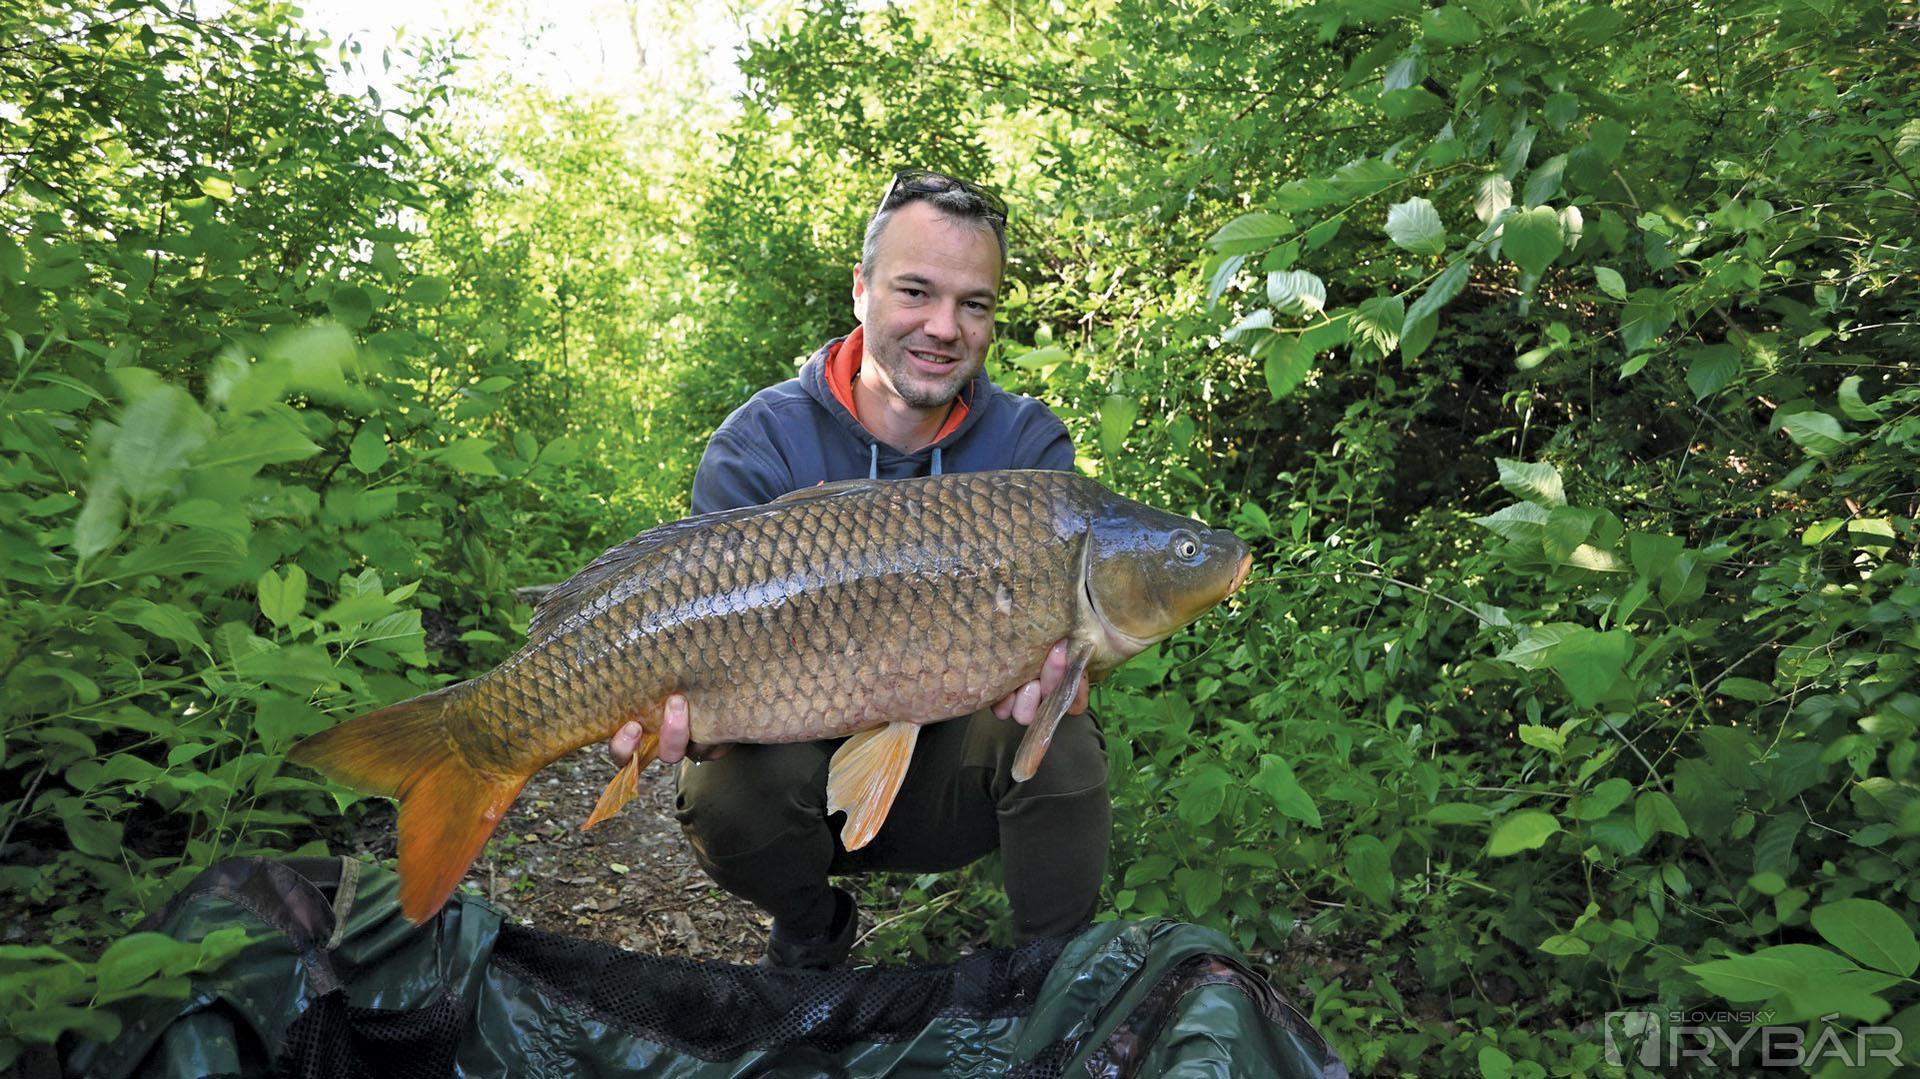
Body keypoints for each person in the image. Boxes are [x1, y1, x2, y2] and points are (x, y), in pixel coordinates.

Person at [606, 169, 1108, 968]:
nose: (944, 326)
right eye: (916, 292)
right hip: (795, 773)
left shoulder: (1026, 450)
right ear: (861, 289)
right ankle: (812, 929)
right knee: (722, 793)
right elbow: (691, 639)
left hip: (951, 777)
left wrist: (1063, 668)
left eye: (974, 304)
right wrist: (681, 716)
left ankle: (1056, 978)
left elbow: (1068, 644)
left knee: (1063, 736)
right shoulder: (760, 445)